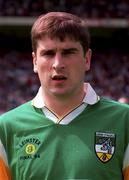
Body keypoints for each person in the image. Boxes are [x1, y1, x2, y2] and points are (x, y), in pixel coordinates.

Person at [0, 12, 129, 180]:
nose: (58, 64)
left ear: (87, 59)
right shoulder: (6, 128)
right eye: (48, 53)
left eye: (68, 52)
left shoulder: (124, 120)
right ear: (34, 62)